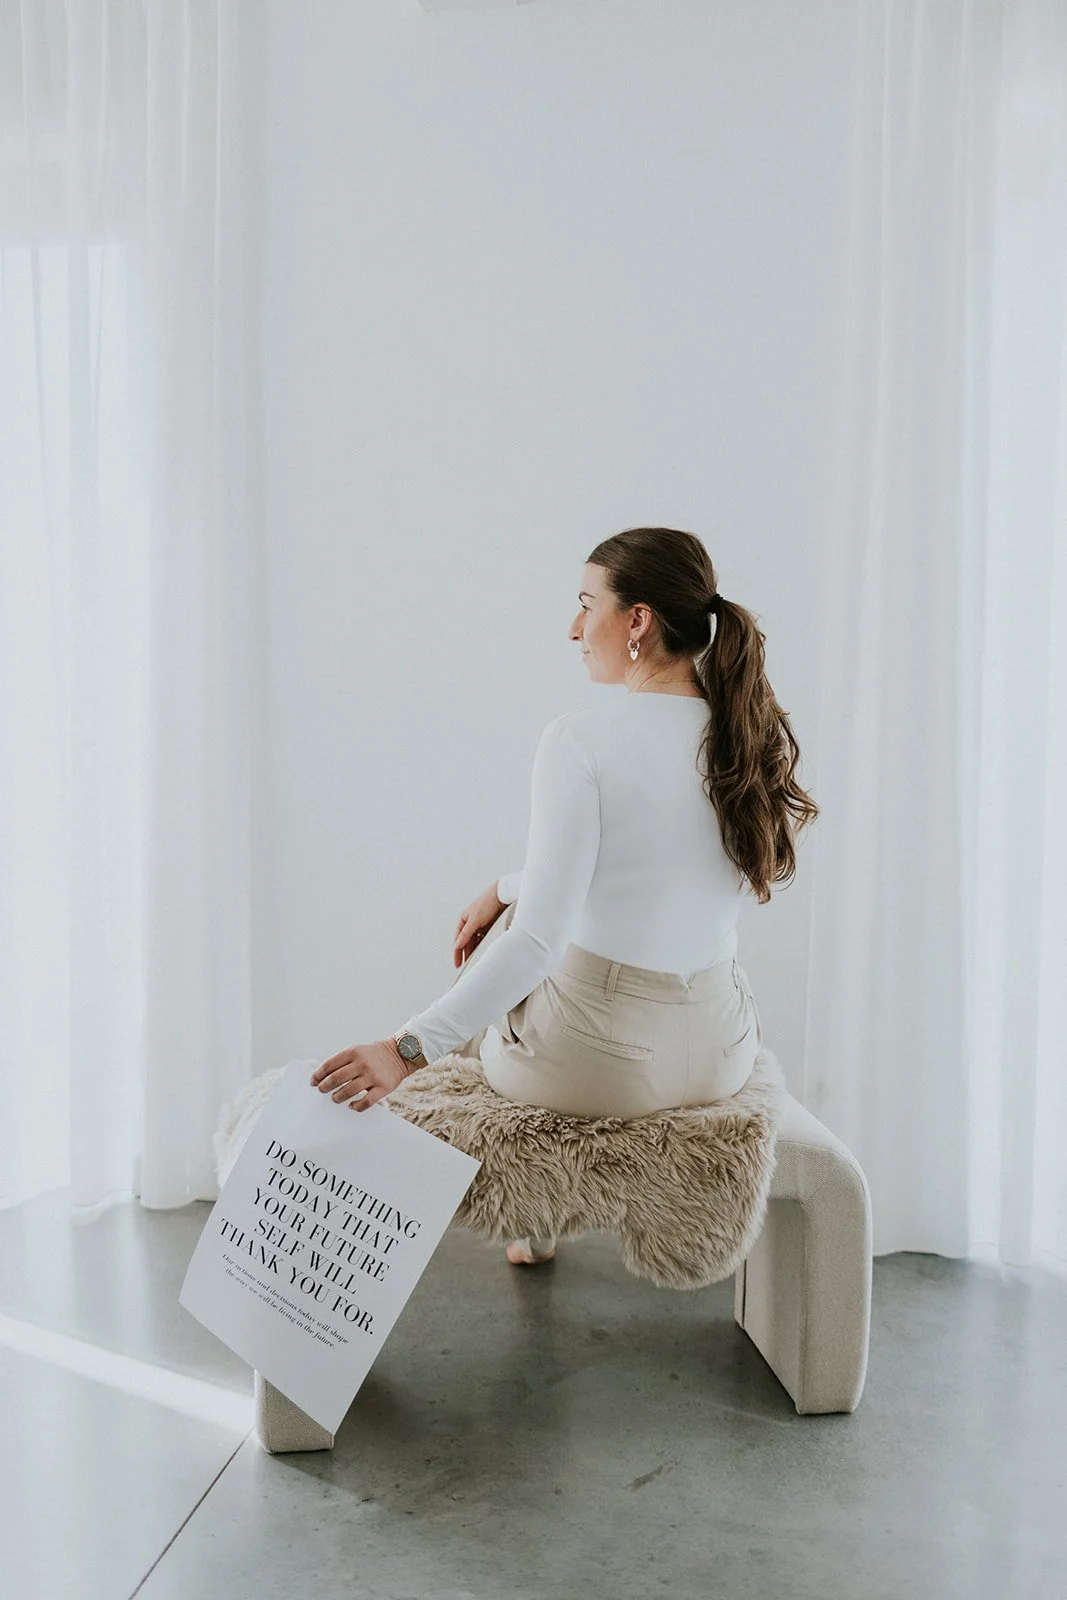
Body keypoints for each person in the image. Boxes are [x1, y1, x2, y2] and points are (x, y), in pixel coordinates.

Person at [309, 527, 819, 1266]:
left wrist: (405, 1049)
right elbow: (653, 868)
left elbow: (537, 942)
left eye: (586, 605)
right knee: (523, 908)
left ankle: (534, 1226)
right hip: (719, 1051)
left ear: (637, 620)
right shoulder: (745, 730)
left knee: (516, 946)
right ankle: (536, 1227)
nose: (573, 628)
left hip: (601, 1068)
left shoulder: (581, 739)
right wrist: (505, 886)